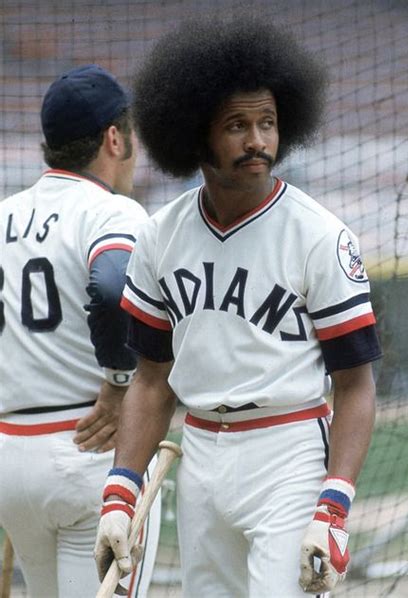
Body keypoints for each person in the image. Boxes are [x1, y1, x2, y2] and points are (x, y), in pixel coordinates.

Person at [94, 14, 382, 598]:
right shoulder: (159, 236)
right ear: (196, 133)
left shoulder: (320, 235)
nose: (258, 142)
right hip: (199, 454)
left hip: (289, 452)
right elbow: (152, 382)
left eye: (269, 123)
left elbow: (356, 385)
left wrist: (334, 504)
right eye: (238, 126)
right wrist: (120, 491)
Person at [0, 64, 161, 597]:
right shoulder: (112, 211)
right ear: (114, 138)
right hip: (91, 453)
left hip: (11, 460)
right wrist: (119, 383)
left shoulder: (3, 214)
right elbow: (114, 286)